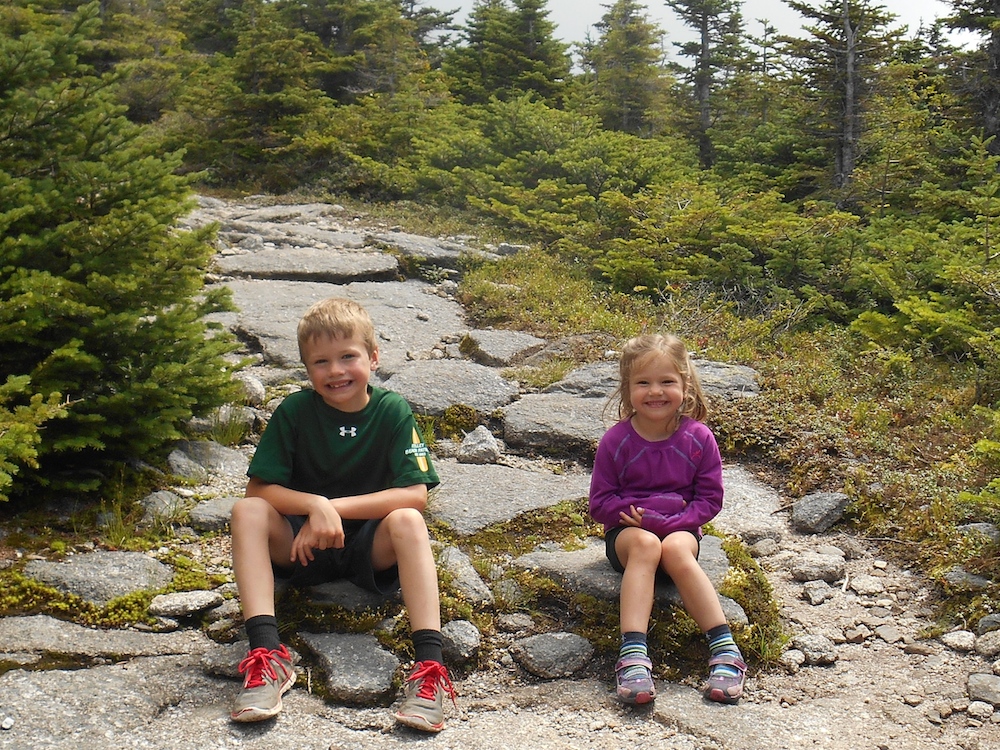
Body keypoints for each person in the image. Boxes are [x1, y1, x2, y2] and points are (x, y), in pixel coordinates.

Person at [228, 297, 454, 732]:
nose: (335, 371)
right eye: (320, 362)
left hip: (369, 547)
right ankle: (267, 655)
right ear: (307, 368)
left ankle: (430, 667)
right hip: (300, 545)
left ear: (373, 357)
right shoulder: (294, 412)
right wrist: (313, 506)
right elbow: (258, 489)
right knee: (248, 512)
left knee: (408, 519)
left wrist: (332, 509)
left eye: (348, 357)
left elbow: (415, 494)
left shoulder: (392, 410)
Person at [588, 333, 746, 706]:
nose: (655, 392)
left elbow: (709, 500)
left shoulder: (698, 438)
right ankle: (633, 657)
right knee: (645, 544)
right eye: (643, 382)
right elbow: (600, 503)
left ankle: (724, 649)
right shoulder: (616, 441)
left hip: (681, 530)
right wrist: (631, 517)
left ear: (685, 384)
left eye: (666, 382)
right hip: (630, 535)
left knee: (676, 549)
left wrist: (673, 523)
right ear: (627, 390)